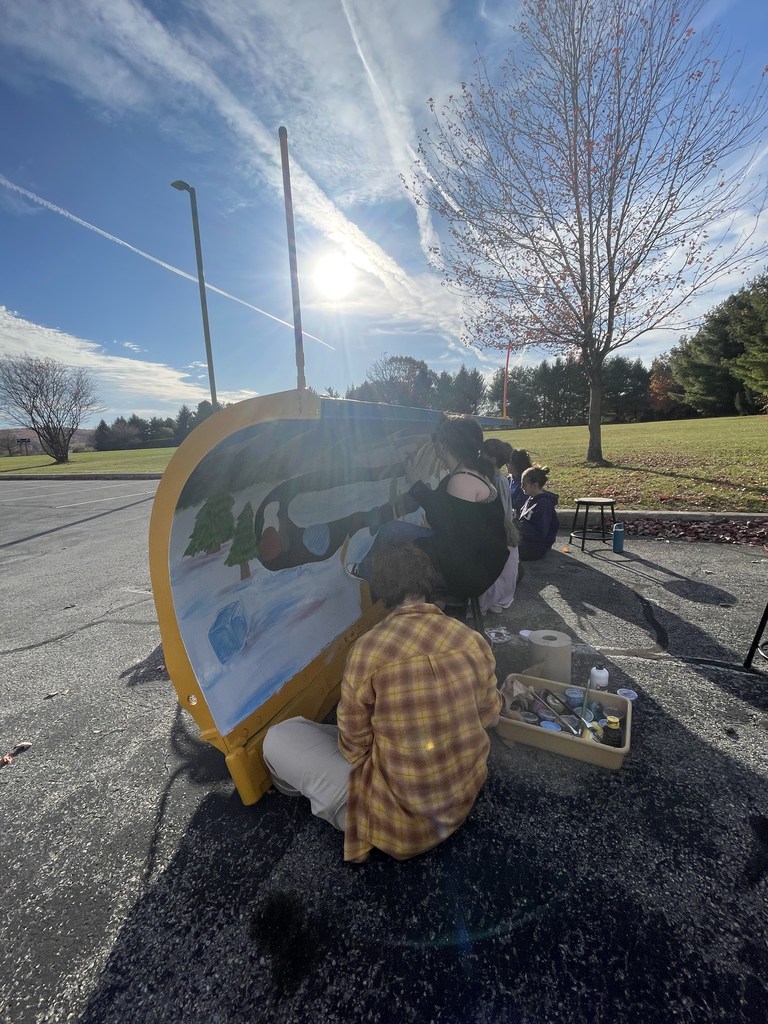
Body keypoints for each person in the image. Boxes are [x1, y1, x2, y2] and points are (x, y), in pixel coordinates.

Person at [261, 542, 501, 863]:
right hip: (459, 803)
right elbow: (489, 714)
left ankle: (342, 811)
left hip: (403, 829)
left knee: (279, 738)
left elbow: (354, 746)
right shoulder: (472, 640)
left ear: (379, 589)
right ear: (425, 580)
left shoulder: (369, 650)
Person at [346, 415, 508, 600]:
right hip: (473, 560)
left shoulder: (461, 480)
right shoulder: (470, 472)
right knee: (393, 531)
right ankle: (367, 571)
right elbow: (452, 521)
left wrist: (411, 550)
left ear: (443, 446)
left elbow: (447, 530)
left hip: (467, 573)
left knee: (397, 552)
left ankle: (371, 578)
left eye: (436, 439)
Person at [479, 438, 520, 614]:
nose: (479, 456)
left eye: (483, 454)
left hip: (501, 530)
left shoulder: (498, 479)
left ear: (493, 459)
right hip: (498, 529)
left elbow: (503, 509)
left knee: (501, 571)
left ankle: (496, 599)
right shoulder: (491, 477)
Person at [517, 465, 560, 560]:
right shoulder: (531, 498)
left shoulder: (544, 504)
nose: (521, 487)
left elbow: (540, 534)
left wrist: (518, 525)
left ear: (535, 485)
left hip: (536, 547)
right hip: (526, 541)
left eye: (524, 484)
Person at [507, 448, 533, 518]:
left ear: (516, 464)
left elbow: (519, 503)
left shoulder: (525, 482)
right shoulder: (509, 479)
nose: (506, 465)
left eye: (509, 463)